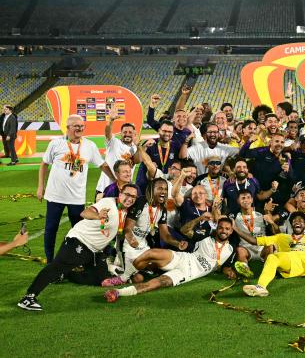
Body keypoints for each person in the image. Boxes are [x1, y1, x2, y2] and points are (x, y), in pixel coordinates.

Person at [18, 185, 139, 311]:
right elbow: (85, 212)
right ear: (120, 193)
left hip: (95, 251)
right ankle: (28, 297)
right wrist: (98, 216)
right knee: (57, 266)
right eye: (127, 194)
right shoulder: (108, 202)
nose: (130, 199)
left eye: (133, 197)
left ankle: (67, 274)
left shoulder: (125, 210)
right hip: (79, 241)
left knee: (99, 279)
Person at [37, 114, 116, 262]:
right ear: (67, 128)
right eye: (76, 126)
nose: (80, 129)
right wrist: (40, 187)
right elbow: (44, 165)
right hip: (55, 195)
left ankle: (81, 258)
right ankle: (50, 260)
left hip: (77, 197)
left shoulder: (89, 145)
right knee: (51, 229)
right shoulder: (56, 143)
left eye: (82, 126)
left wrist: (114, 179)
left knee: (79, 230)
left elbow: (102, 165)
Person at [104, 216, 236, 303]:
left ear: (231, 232)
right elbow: (185, 230)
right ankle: (124, 277)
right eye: (221, 228)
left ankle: (118, 292)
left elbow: (226, 267)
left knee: (155, 284)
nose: (223, 231)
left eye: (227, 229)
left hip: (186, 274)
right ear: (217, 228)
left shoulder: (230, 250)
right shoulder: (205, 237)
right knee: (152, 253)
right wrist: (200, 218)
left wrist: (229, 272)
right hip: (183, 259)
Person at [96, 107, 138, 197]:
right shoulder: (114, 142)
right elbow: (108, 133)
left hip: (124, 190)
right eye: (124, 132)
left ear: (134, 134)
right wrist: (110, 121)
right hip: (105, 187)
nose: (127, 134)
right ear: (120, 133)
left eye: (130, 132)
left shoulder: (135, 149)